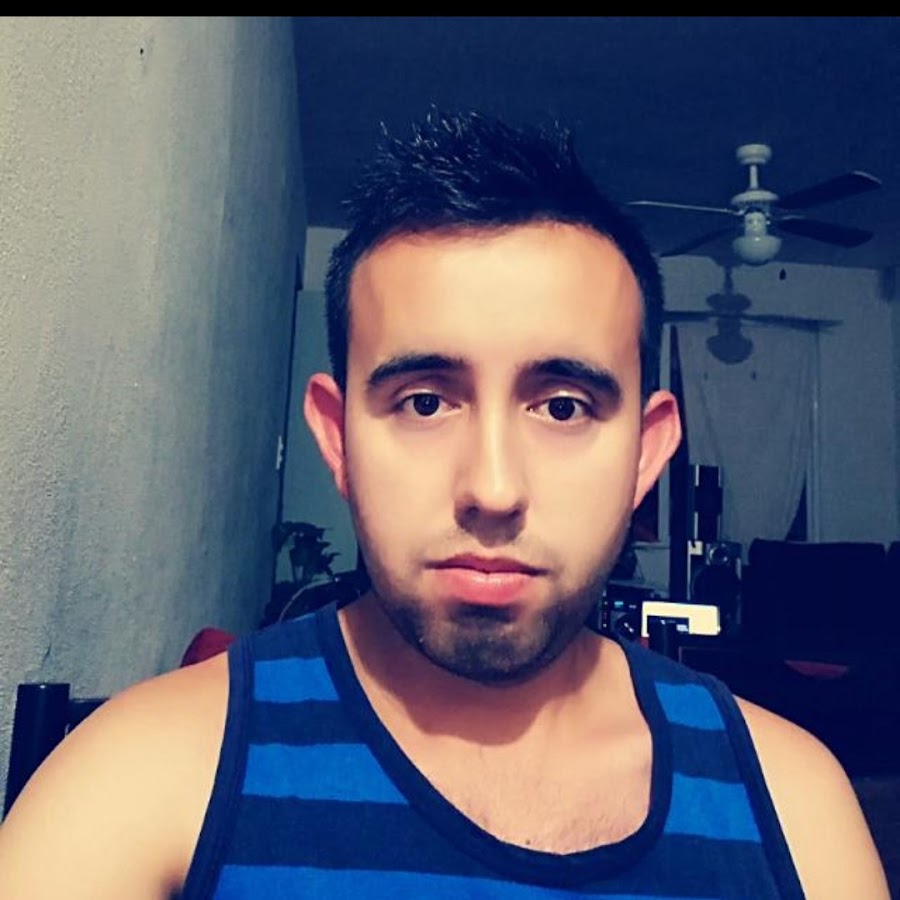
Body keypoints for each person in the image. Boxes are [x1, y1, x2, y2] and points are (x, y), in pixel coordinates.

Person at [0, 109, 889, 899]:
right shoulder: (148, 774)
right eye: (424, 402)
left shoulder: (795, 804)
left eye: (563, 408)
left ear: (647, 453)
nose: (493, 490)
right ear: (337, 438)